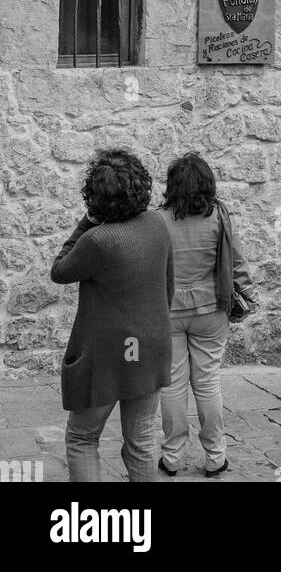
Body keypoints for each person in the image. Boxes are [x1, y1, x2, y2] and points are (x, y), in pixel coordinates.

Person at [50, 148, 173, 483]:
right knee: (142, 439)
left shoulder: (98, 239)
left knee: (82, 437)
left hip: (107, 354)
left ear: (95, 197)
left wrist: (87, 221)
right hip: (149, 344)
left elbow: (60, 269)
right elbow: (168, 286)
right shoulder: (157, 224)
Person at [158, 152, 256, 477]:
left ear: (172, 185)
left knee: (172, 384)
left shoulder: (157, 220)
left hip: (168, 310)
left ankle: (171, 458)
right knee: (208, 382)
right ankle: (215, 457)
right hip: (212, 309)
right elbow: (236, 261)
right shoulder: (219, 216)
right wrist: (249, 296)